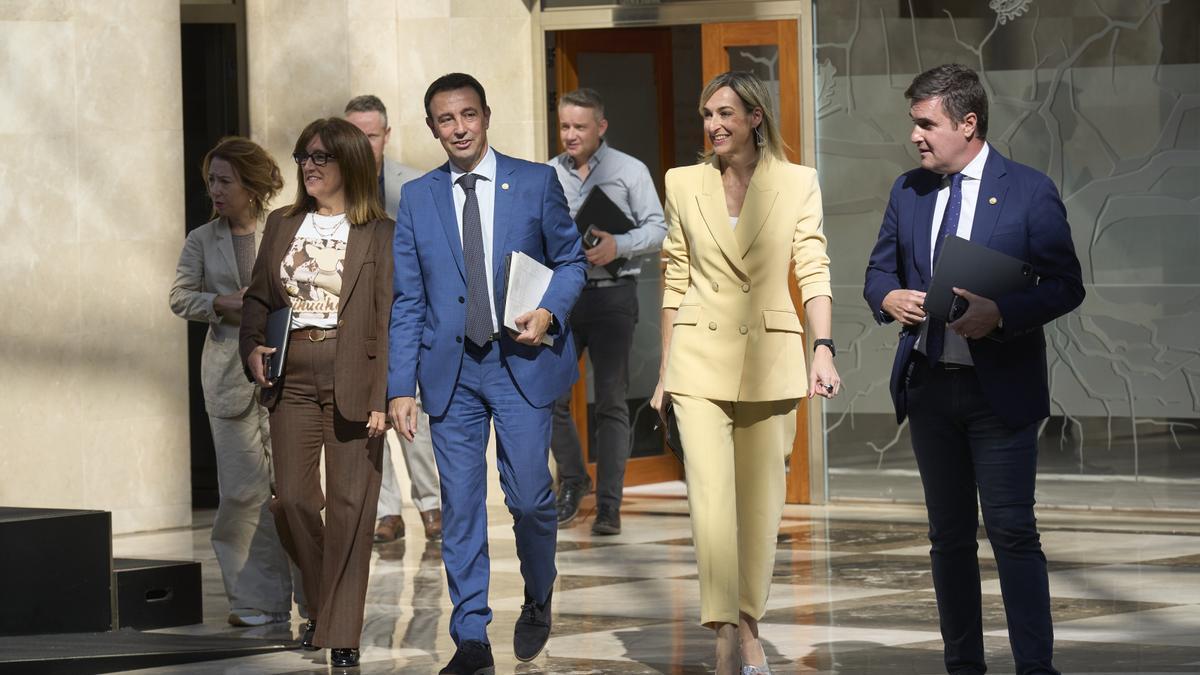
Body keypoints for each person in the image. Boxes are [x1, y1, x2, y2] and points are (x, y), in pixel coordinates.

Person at [864, 64, 1084, 675]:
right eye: (914, 123)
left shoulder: (1028, 190)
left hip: (999, 395)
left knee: (1013, 533)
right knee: (949, 539)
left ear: (969, 122)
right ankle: (963, 664)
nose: (916, 136)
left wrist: (1002, 313)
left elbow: (1066, 286)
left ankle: (1035, 667)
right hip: (931, 387)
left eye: (926, 123)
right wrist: (887, 298)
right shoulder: (909, 190)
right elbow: (878, 272)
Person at [388, 73, 587, 674]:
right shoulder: (419, 198)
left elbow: (571, 262)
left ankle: (538, 593)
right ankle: (470, 635)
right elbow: (408, 300)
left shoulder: (534, 182)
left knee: (529, 499)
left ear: (486, 116)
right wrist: (401, 385)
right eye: (445, 120)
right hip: (450, 373)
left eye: (467, 115)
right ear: (431, 128)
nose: (458, 128)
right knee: (462, 505)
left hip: (520, 362)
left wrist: (549, 309)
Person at [651, 71, 839, 675]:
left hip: (771, 360)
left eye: (726, 113)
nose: (713, 125)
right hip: (697, 362)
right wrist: (663, 370)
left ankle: (750, 623)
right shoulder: (682, 183)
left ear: (756, 117)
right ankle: (726, 633)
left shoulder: (797, 182)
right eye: (707, 114)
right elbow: (674, 278)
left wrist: (824, 346)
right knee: (709, 502)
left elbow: (812, 266)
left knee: (760, 508)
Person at [239, 117, 394, 669]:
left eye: (320, 157)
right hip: (291, 374)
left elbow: (389, 317)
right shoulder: (281, 224)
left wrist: (385, 396)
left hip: (355, 373)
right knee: (296, 500)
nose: (308, 165)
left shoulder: (381, 232)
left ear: (349, 163)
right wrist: (254, 346)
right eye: (303, 155)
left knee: (353, 507)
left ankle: (339, 629)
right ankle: (330, 601)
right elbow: (258, 298)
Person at [169, 137, 294, 628]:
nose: (216, 191)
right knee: (243, 495)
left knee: (295, 493)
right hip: (227, 382)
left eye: (225, 181)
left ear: (250, 185)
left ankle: (315, 599)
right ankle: (256, 601)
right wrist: (220, 303)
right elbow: (179, 297)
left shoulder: (284, 228)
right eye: (211, 183)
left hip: (286, 376)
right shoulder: (201, 240)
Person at [547, 88, 667, 534]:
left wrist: (620, 244)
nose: (571, 135)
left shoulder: (629, 171)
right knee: (550, 398)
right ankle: (575, 479)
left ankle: (610, 507)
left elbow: (659, 229)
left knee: (611, 401)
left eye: (580, 126)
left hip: (614, 294)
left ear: (601, 126)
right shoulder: (547, 174)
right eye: (564, 126)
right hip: (564, 297)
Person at [344, 94, 443, 543]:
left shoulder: (413, 184)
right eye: (354, 135)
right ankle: (387, 513)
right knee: (370, 416)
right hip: (357, 318)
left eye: (370, 135)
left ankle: (432, 503)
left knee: (411, 409)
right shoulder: (333, 189)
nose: (363, 145)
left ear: (385, 135)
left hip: (407, 312)